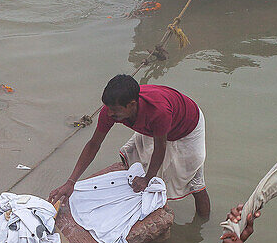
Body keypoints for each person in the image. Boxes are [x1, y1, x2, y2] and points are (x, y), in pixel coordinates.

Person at [50, 74, 210, 218]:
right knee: (131, 154)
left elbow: (160, 148)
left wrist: (147, 179)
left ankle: (202, 227)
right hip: (153, 128)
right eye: (109, 109)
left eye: (116, 111)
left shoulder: (158, 112)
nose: (111, 114)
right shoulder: (110, 111)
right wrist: (71, 182)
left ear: (132, 105)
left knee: (194, 183)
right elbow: (94, 144)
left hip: (187, 127)